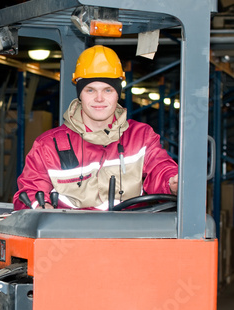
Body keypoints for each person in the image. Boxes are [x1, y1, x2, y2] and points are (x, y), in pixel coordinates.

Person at [13, 45, 178, 210]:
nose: (99, 98)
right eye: (90, 90)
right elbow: (30, 191)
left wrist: (172, 182)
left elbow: (160, 168)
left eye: (108, 90)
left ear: (117, 93)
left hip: (130, 232)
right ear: (80, 94)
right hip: (70, 234)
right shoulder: (49, 146)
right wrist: (40, 208)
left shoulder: (141, 136)